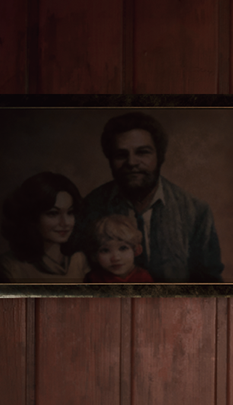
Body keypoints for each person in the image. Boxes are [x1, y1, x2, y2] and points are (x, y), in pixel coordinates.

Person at [79, 111, 225, 283]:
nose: (132, 162)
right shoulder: (91, 206)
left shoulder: (196, 211)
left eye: (142, 152)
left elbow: (210, 282)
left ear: (160, 156)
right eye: (121, 155)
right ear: (110, 160)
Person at [0, 172, 90, 284]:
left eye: (70, 212)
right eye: (53, 213)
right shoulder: (9, 266)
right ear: (32, 217)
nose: (65, 223)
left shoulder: (79, 260)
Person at [84, 214, 155, 284]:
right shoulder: (93, 279)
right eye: (105, 250)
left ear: (136, 250)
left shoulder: (143, 278)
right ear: (95, 255)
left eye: (123, 248)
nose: (115, 258)